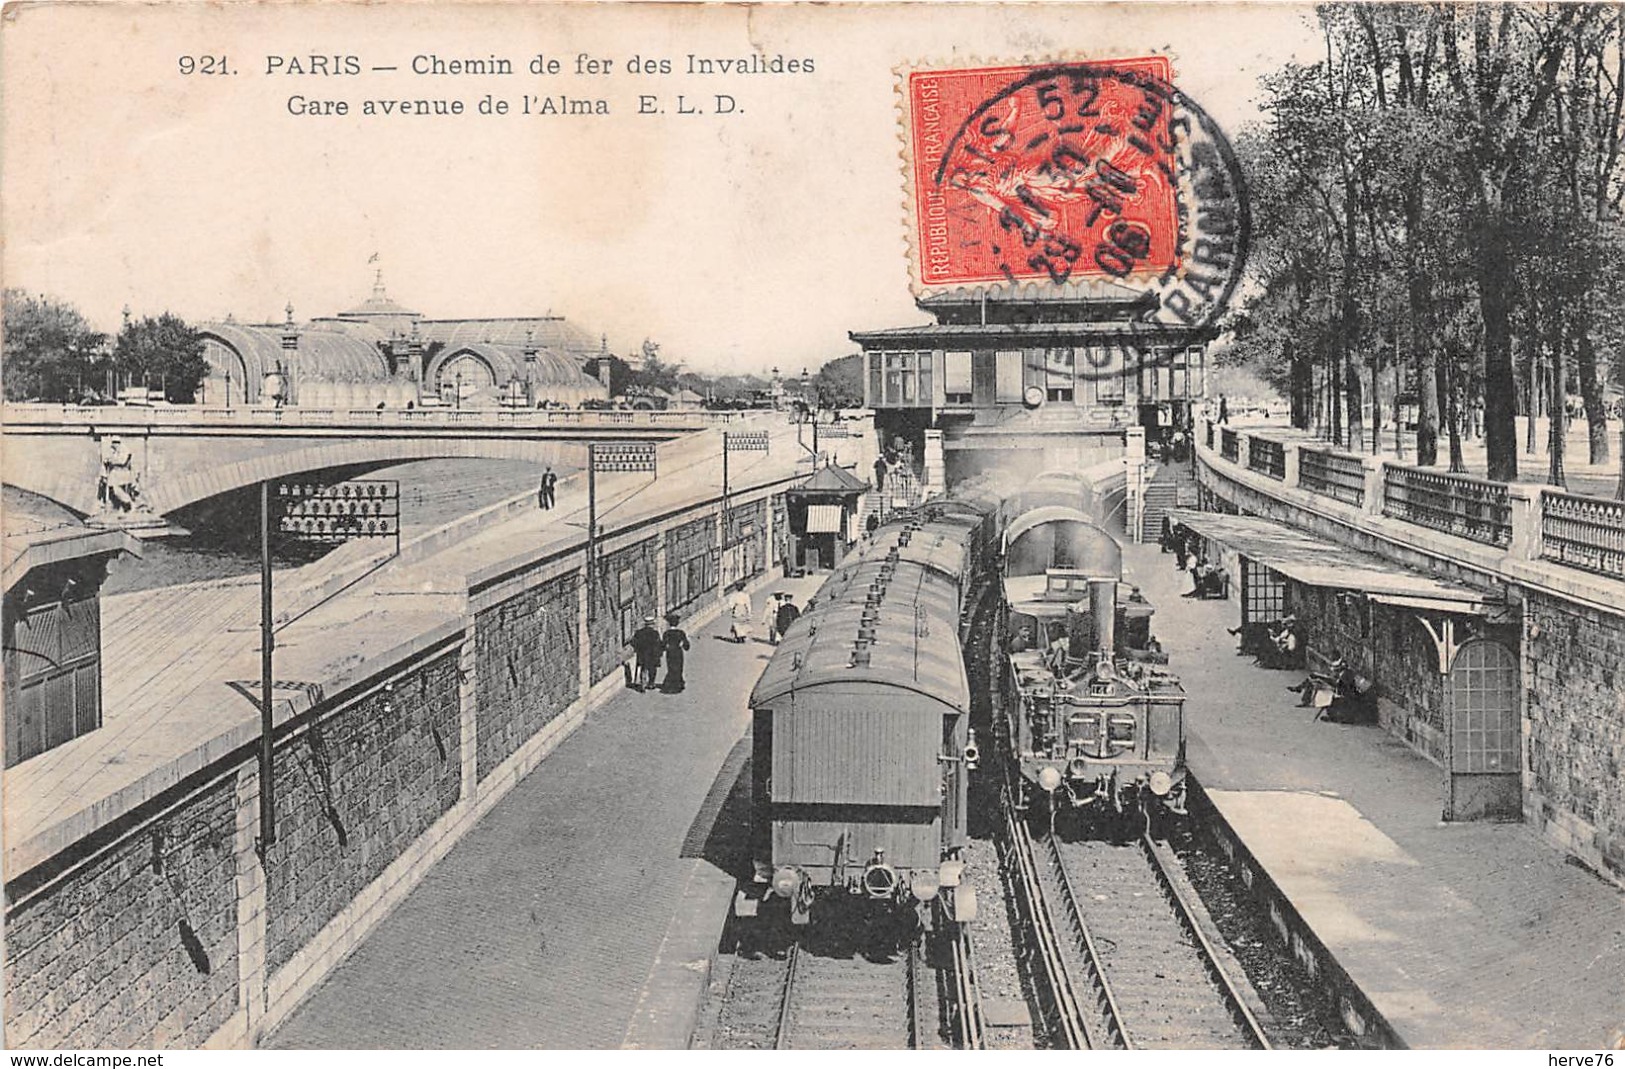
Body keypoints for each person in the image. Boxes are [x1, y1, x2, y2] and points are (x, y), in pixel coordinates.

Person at [629, 615, 663, 691]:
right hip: (652, 655)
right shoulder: (655, 633)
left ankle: (643, 683)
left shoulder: (639, 632)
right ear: (652, 624)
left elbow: (633, 642)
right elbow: (659, 644)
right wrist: (660, 653)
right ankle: (651, 683)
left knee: (643, 668)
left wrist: (637, 649)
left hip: (642, 654)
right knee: (652, 669)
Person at [660, 613, 690, 693]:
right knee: (679, 668)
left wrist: (665, 648)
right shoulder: (680, 633)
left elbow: (663, 645)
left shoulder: (666, 633)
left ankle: (671, 684)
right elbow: (686, 645)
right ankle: (678, 684)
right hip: (678, 652)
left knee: (671, 668)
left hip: (670, 653)